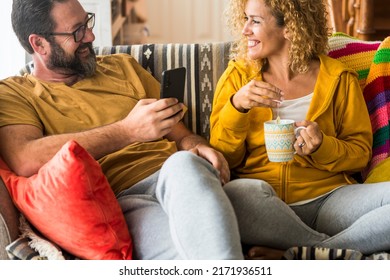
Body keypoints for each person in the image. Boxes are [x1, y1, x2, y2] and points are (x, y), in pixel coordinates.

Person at [0, 0, 257, 260]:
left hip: (181, 178)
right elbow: (25, 158)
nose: (90, 36)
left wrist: (197, 146)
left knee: (190, 167)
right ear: (39, 44)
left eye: (87, 22)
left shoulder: (123, 66)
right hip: (126, 202)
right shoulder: (15, 93)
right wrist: (127, 131)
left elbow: (181, 135)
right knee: (188, 253)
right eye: (77, 31)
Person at [210, 0, 390, 259]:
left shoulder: (339, 78)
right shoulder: (238, 78)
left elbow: (360, 154)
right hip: (262, 201)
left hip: (329, 200)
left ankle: (305, 253)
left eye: (255, 21)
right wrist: (236, 107)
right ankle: (333, 250)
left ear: (290, 28)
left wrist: (322, 146)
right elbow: (224, 159)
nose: (245, 30)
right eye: (245, 19)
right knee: (234, 195)